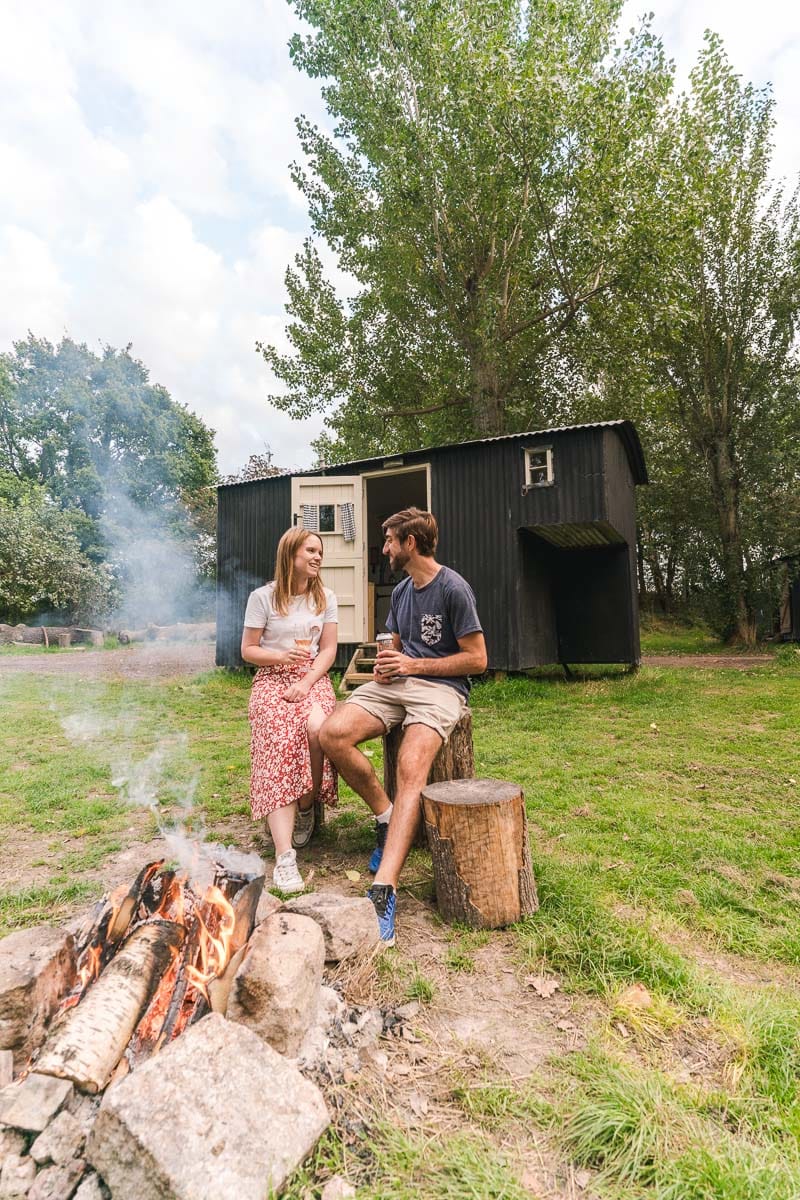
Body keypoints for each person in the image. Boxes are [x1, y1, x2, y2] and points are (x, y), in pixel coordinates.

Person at [319, 508, 486, 943]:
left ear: (410, 543)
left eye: (390, 540)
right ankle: (386, 814)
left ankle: (384, 889)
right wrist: (385, 667)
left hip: (441, 689)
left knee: (412, 767)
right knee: (331, 733)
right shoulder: (401, 592)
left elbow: (478, 659)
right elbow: (392, 647)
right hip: (399, 685)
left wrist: (416, 664)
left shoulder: (454, 588)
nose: (385, 548)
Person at [241, 527, 338, 893]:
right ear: (290, 554)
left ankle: (308, 802)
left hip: (311, 677)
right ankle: (284, 859)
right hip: (271, 677)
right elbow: (248, 649)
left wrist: (306, 681)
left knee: (316, 729)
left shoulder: (325, 597)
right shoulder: (262, 597)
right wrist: (281, 657)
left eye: (319, 552)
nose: (317, 557)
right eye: (310, 550)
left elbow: (327, 651)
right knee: (277, 732)